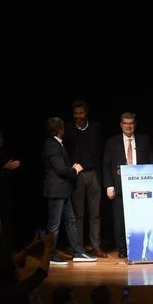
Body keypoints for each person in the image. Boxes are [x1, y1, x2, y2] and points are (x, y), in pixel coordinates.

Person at [42, 118, 96, 263]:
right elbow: (60, 169)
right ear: (59, 129)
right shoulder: (52, 145)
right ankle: (50, 254)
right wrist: (75, 170)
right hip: (56, 190)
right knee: (54, 224)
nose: (64, 130)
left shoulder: (57, 144)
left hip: (63, 190)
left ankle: (78, 252)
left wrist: (72, 168)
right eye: (63, 127)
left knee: (71, 220)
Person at [102, 111, 152, 257]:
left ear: (135, 125)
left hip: (140, 187)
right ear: (121, 125)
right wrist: (109, 185)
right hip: (119, 187)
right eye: (126, 123)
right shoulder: (112, 142)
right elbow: (106, 165)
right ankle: (123, 250)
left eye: (131, 123)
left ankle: (139, 249)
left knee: (139, 219)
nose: (128, 126)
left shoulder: (144, 140)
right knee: (120, 221)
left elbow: (149, 162)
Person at [65, 100, 103, 256]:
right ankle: (78, 246)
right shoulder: (68, 128)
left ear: (86, 113)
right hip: (78, 175)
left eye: (81, 113)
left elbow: (100, 149)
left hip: (93, 173)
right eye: (75, 113)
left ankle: (96, 245)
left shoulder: (95, 127)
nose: (78, 116)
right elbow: (65, 151)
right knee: (78, 214)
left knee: (95, 213)